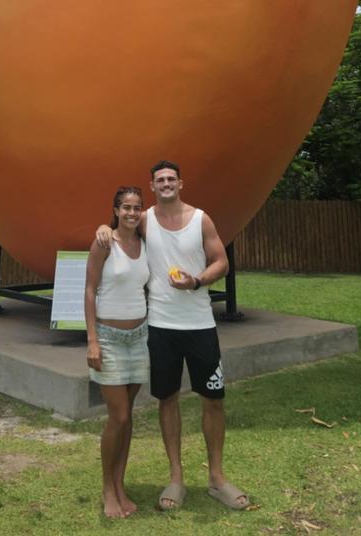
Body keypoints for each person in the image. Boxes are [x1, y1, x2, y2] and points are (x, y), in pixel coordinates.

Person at [97, 161, 249, 512]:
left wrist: (196, 280)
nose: (166, 184)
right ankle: (176, 478)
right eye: (160, 180)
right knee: (168, 399)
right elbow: (119, 227)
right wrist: (100, 228)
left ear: (181, 183)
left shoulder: (201, 219)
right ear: (152, 185)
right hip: (161, 327)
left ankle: (216, 478)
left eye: (171, 179)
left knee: (213, 399)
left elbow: (220, 261)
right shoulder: (145, 218)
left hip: (200, 325)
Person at [85, 186, 150, 518]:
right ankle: (107, 489)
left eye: (137, 207)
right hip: (109, 338)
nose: (132, 212)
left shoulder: (145, 243)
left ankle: (121, 485)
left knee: (128, 419)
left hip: (140, 338)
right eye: (126, 207)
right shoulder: (103, 242)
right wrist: (93, 339)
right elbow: (90, 289)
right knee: (119, 416)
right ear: (115, 210)